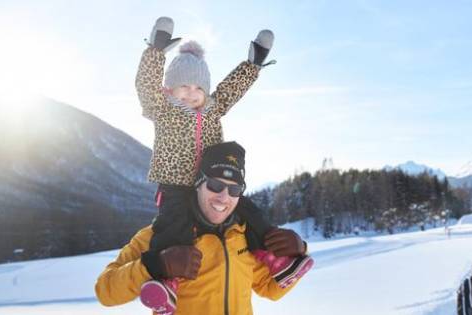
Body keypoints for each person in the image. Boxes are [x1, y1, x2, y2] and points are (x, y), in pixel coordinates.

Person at [134, 17, 312, 313]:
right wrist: (155, 50)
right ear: (170, 89)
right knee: (173, 228)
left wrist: (253, 64)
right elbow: (145, 85)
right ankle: (169, 285)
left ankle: (275, 261)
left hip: (214, 184)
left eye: (198, 88)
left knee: (248, 211)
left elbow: (231, 90)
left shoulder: (213, 110)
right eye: (184, 86)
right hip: (176, 186)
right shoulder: (162, 109)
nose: (192, 93)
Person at [95, 142, 312, 315]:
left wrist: (299, 250)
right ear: (198, 184)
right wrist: (156, 264)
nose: (224, 197)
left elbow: (270, 289)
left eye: (234, 189)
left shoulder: (243, 235)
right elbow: (105, 291)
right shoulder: (160, 235)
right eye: (215, 185)